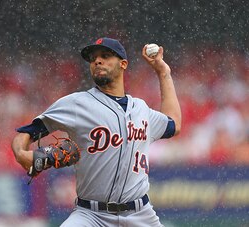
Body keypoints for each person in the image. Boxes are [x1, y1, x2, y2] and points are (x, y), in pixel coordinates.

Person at [11, 37, 181, 227]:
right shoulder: (77, 103)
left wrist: (163, 72)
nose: (97, 61)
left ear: (123, 64)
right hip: (90, 216)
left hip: (140, 215)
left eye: (105, 56)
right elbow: (27, 133)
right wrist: (21, 153)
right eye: (93, 59)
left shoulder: (141, 109)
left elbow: (174, 124)